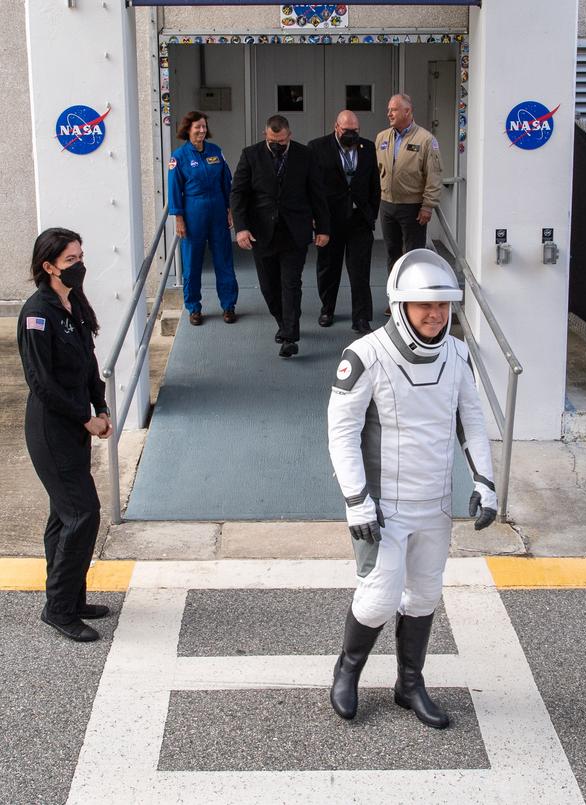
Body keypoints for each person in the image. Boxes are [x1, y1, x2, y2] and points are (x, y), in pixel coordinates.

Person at [326, 248, 498, 728]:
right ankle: (348, 670)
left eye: (443, 305)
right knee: (380, 596)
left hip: (435, 504)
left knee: (423, 595)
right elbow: (340, 432)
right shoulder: (365, 355)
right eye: (424, 304)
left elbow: (473, 421)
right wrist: (356, 501)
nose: (435, 314)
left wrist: (486, 482)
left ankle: (410, 683)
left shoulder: (459, 353)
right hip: (383, 509)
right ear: (399, 306)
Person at [17, 228, 113, 643]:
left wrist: (101, 406)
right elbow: (42, 383)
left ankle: (69, 598)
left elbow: (88, 365)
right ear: (49, 266)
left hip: (74, 424)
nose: (80, 265)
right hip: (51, 428)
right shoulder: (37, 313)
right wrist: (84, 418)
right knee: (82, 513)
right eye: (71, 260)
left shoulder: (70, 303)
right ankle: (58, 607)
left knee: (64, 514)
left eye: (80, 256)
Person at [230, 115, 330, 358]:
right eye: (273, 140)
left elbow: (317, 194)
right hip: (261, 233)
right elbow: (238, 194)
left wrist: (324, 228)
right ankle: (283, 323)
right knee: (269, 287)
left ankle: (289, 337)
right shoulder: (250, 155)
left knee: (291, 285)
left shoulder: (304, 155)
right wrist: (241, 228)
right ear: (266, 135)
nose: (277, 145)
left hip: (294, 231)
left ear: (290, 136)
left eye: (282, 141)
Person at [308, 110, 380, 334]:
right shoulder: (317, 147)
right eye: (347, 131)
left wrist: (371, 213)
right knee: (328, 268)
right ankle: (327, 309)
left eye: (355, 131)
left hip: (360, 219)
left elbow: (374, 184)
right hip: (330, 219)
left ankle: (361, 317)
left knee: (360, 270)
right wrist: (315, 218)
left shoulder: (367, 148)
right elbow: (311, 186)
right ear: (336, 127)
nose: (351, 134)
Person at [167, 110, 238, 326]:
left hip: (217, 209)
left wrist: (229, 209)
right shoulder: (178, 157)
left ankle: (228, 305)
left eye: (204, 127)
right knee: (192, 262)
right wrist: (178, 218)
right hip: (193, 212)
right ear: (188, 129)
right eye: (197, 127)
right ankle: (194, 307)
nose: (201, 130)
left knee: (224, 259)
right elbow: (173, 189)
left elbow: (227, 181)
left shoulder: (216, 151)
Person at [375, 94, 444, 293]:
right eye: (388, 109)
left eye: (393, 109)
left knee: (413, 256)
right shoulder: (382, 138)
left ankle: (412, 297)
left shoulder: (426, 140)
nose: (389, 113)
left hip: (413, 207)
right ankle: (395, 297)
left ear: (407, 111)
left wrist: (428, 206)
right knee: (392, 253)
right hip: (387, 205)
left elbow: (434, 175)